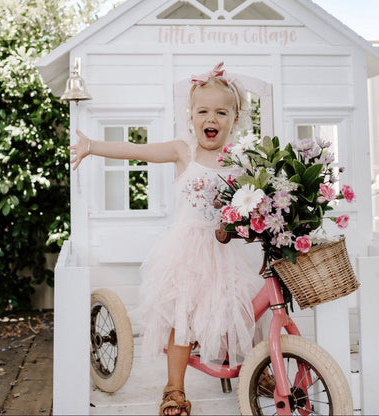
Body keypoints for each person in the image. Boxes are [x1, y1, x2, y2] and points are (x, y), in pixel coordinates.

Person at [69, 62, 264, 416]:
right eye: (203, 110)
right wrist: (92, 145)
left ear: (235, 119)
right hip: (187, 252)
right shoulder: (183, 151)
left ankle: (259, 370)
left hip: (226, 250)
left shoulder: (240, 160)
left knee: (244, 311)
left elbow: (254, 204)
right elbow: (135, 150)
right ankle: (174, 387)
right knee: (182, 319)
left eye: (222, 112)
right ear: (191, 117)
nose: (212, 118)